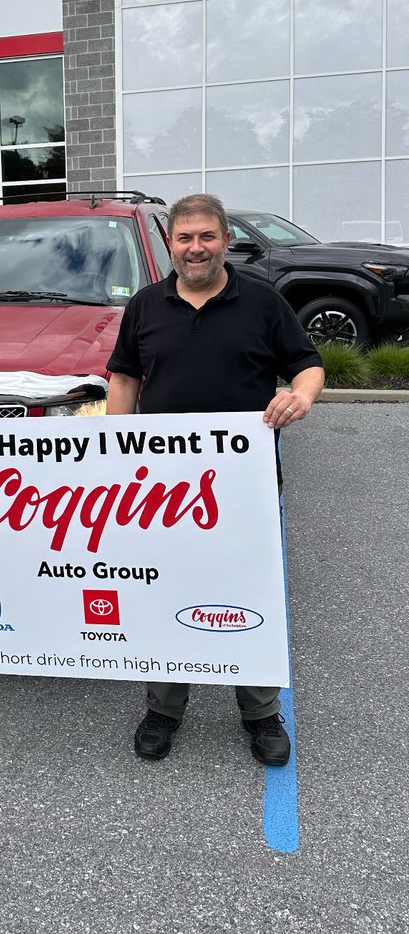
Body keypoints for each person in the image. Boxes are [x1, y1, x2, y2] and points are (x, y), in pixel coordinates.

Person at [106, 194, 324, 767]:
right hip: (159, 489)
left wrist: (300, 396)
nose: (196, 248)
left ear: (226, 240)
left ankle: (261, 713)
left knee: (247, 594)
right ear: (169, 244)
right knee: (164, 591)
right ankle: (163, 709)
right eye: (185, 238)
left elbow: (307, 364)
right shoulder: (145, 306)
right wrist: (110, 453)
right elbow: (124, 378)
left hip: (243, 485)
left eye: (207, 236)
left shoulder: (262, 302)